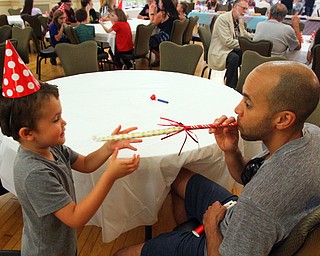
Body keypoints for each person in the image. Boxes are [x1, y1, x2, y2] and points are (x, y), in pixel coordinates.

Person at [113, 61, 320, 256]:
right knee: (176, 176)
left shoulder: (259, 203)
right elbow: (249, 175)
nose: (237, 110)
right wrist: (231, 151)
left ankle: (192, 241)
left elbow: (255, 204)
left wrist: (211, 227)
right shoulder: (311, 134)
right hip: (238, 216)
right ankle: (185, 235)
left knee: (121, 254)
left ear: (283, 119)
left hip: (223, 239)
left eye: (248, 104)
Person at [0, 42, 141, 255]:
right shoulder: (33, 173)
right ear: (28, 133)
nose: (64, 123)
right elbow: (75, 217)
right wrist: (110, 176)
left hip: (63, 246)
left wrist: (108, 147)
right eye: (56, 119)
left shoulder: (51, 147)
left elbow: (85, 164)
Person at [208, 0, 251, 89]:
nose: (245, 11)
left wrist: (256, 36)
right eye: (243, 8)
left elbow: (244, 34)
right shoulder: (223, 19)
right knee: (234, 58)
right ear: (235, 7)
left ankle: (244, 85)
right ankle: (231, 87)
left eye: (246, 9)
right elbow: (227, 42)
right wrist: (245, 44)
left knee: (248, 55)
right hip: (221, 50)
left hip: (232, 48)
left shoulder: (239, 20)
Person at [148, 0, 179, 67]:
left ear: (163, 3)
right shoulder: (173, 12)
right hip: (171, 35)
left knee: (146, 40)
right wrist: (156, 13)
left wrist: (151, 13)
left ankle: (163, 58)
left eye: (160, 2)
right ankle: (158, 59)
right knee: (154, 37)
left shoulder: (162, 13)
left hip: (164, 37)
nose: (159, 3)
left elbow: (151, 25)